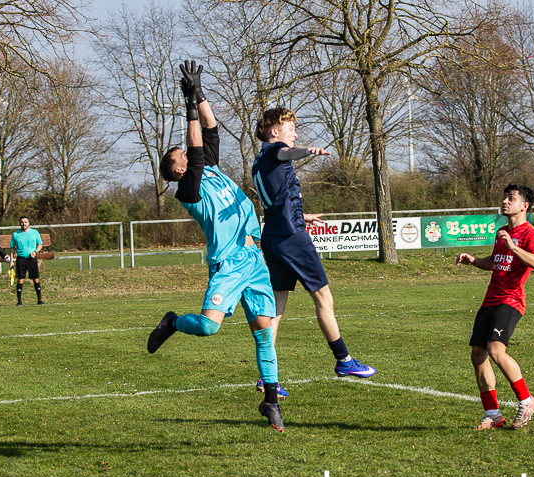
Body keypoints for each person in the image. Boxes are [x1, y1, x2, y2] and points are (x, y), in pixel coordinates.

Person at [149, 61, 285, 432]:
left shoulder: (207, 167)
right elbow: (195, 146)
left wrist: (200, 93)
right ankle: (173, 322)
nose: (184, 151)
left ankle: (271, 401)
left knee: (264, 332)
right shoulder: (188, 188)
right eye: (179, 154)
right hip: (228, 262)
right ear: (178, 169)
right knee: (209, 327)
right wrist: (187, 105)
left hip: (254, 258)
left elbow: (210, 130)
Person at [252, 107, 376, 387]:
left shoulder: (259, 160)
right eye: (291, 128)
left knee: (277, 307)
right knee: (323, 298)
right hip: (292, 237)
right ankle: (344, 361)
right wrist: (307, 151)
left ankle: (266, 377)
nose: (295, 134)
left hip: (273, 236)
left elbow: (276, 200)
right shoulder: (276, 151)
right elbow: (287, 152)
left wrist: (302, 214)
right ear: (275, 132)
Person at [456, 184, 534, 431]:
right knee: (478, 354)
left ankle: (527, 400)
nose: (505, 201)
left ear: (524, 205)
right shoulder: (502, 232)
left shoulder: (531, 234)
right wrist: (474, 261)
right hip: (490, 299)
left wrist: (514, 247)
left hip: (511, 299)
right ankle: (492, 414)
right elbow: (496, 262)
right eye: (505, 197)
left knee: (496, 351)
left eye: (511, 198)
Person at [10, 216, 44, 306]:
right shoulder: (15, 234)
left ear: (28, 223)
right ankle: (19, 301)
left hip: (31, 259)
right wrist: (11, 260)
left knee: (35, 279)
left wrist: (35, 252)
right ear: (20, 223)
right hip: (21, 259)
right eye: (22, 222)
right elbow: (12, 248)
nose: (24, 224)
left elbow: (40, 244)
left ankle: (39, 300)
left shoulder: (34, 232)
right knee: (20, 280)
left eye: (25, 222)